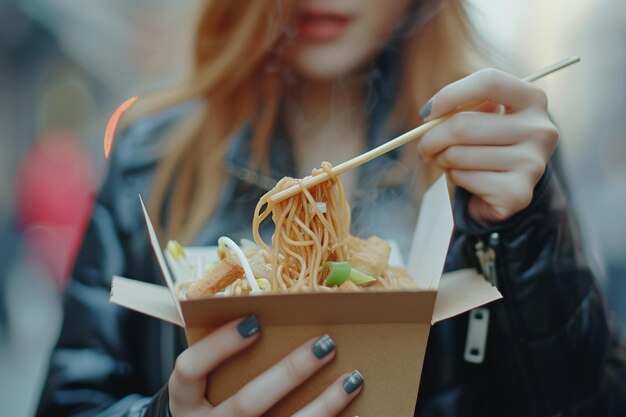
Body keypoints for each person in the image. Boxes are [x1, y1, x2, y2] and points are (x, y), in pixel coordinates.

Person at [36, 0, 626, 416]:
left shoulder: (495, 152)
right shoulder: (151, 159)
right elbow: (70, 399)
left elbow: (592, 400)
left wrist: (524, 230)